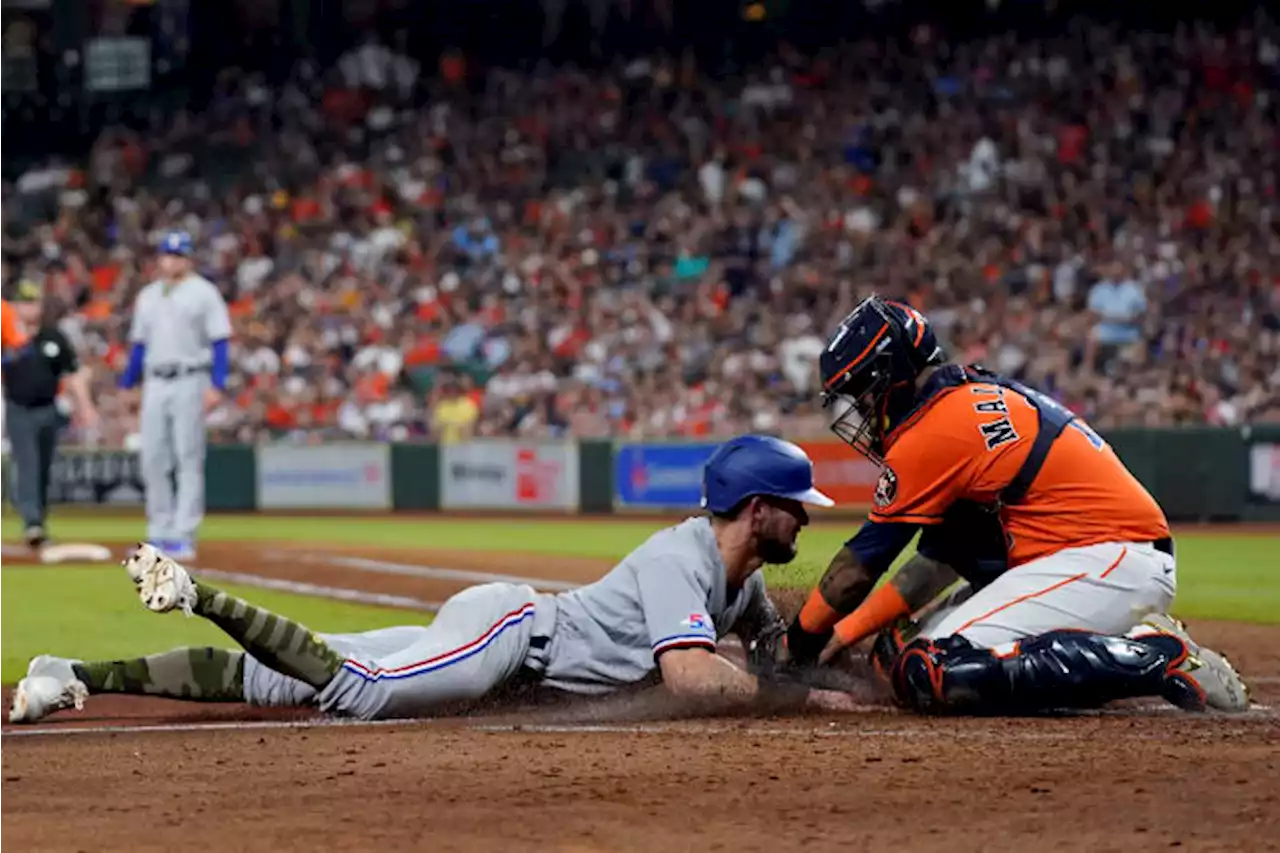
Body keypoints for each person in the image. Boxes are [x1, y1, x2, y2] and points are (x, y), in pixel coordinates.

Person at [10, 434, 860, 724]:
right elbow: (690, 673)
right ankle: (199, 593)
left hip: (507, 643)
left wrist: (833, 665)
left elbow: (779, 653)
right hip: (508, 637)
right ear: (757, 508)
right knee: (362, 691)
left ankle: (68, 675)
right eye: (796, 505)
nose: (808, 517)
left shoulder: (738, 582)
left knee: (277, 684)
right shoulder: (683, 557)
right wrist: (795, 701)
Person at [779, 295, 1250, 715]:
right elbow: (937, 563)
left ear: (890, 378)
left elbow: (859, 566)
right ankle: (1124, 643)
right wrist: (843, 636)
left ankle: (1152, 655)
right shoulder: (964, 399)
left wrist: (797, 645)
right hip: (1090, 558)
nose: (860, 416)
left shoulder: (929, 434)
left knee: (931, 669)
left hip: (1107, 559)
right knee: (895, 654)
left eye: (861, 398)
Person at [118, 231, 232, 560]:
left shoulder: (204, 293)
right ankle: (159, 531)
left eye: (179, 255)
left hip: (190, 378)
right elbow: (139, 345)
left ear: (189, 258)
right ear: (160, 258)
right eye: (168, 254)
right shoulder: (148, 295)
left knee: (188, 457)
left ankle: (183, 534)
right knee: (153, 457)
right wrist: (128, 384)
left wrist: (217, 384)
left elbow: (220, 341)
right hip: (155, 380)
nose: (173, 260)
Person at [1, 280, 99, 548]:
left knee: (44, 466)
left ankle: (38, 519)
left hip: (48, 408)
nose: (29, 308)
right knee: (27, 463)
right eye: (23, 302)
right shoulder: (7, 336)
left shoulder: (53, 336)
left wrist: (85, 406)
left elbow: (73, 373)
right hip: (18, 408)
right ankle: (32, 521)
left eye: (33, 302)